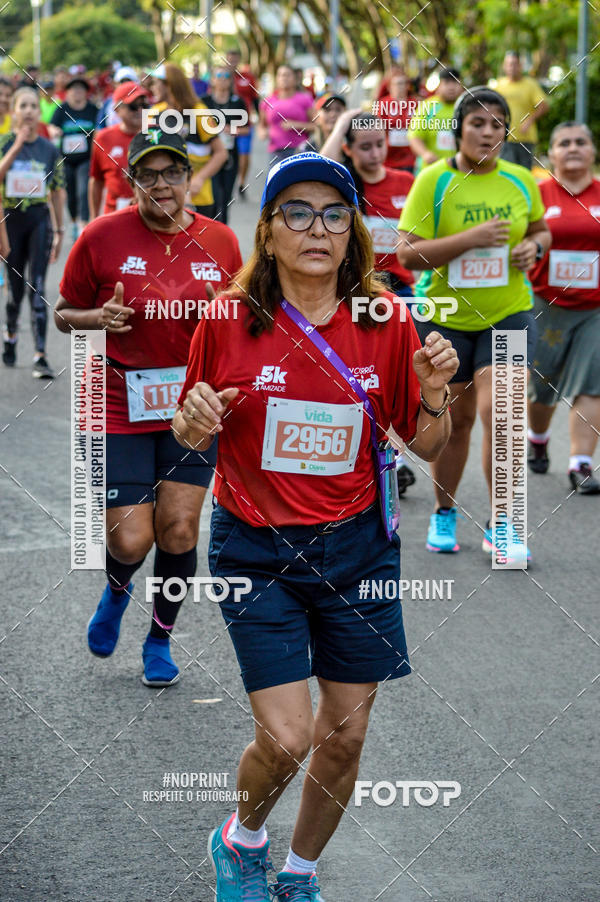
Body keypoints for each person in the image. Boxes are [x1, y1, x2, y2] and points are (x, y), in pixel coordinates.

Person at [173, 151, 458, 901]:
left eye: (334, 214)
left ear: (352, 232)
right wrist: (192, 419)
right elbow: (190, 428)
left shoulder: (387, 321)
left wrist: (435, 395)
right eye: (296, 213)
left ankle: (300, 873)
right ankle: (242, 839)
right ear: (268, 233)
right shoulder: (227, 319)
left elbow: (427, 445)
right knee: (288, 737)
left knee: (346, 734)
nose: (317, 228)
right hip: (255, 548)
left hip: (358, 549)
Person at [53, 131, 243, 686]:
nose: (161, 184)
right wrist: (96, 320)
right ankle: (117, 590)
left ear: (189, 178)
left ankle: (159, 637)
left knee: (179, 530)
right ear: (131, 181)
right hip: (117, 401)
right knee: (130, 538)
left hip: (193, 404)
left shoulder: (221, 241)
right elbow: (64, 312)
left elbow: (248, 320)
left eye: (172, 172)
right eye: (148, 174)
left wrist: (227, 318)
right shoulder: (101, 236)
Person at [397, 87, 552, 560]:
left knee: (502, 415)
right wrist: (472, 238)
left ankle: (504, 523)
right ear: (458, 129)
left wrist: (534, 248)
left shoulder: (520, 180)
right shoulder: (434, 180)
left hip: (507, 314)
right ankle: (444, 511)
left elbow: (541, 230)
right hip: (445, 317)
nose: (488, 132)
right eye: (477, 123)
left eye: (497, 124)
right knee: (457, 422)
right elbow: (407, 253)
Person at [322, 111, 417, 494]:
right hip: (353, 290)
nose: (375, 153)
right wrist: (344, 119)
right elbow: (323, 164)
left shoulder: (406, 182)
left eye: (380, 144)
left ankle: (398, 456)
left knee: (398, 374)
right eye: (364, 146)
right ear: (348, 148)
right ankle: (360, 448)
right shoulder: (345, 185)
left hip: (401, 291)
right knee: (363, 373)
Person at [527, 122, 600, 494]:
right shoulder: (536, 194)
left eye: (581, 142)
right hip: (545, 304)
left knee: (592, 384)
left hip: (595, 309)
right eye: (564, 143)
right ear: (551, 153)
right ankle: (538, 438)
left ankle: (580, 463)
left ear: (592, 151)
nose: (573, 148)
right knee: (542, 387)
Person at [0, 87, 65, 378]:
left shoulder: (49, 149)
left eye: (33, 106)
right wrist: (16, 147)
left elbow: (58, 191)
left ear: (39, 112)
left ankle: (41, 355)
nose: (28, 111)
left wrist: (60, 230)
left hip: (39, 220)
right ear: (14, 111)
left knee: (37, 288)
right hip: (11, 221)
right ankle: (11, 335)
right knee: (15, 291)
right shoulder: (4, 143)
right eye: (23, 106)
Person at [147, 62, 228, 217]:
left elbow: (221, 153)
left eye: (156, 83)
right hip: (163, 198)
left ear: (169, 85)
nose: (152, 87)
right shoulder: (153, 113)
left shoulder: (199, 112)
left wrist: (199, 179)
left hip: (198, 198)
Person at [88, 81, 151, 219]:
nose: (140, 110)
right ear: (117, 109)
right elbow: (96, 180)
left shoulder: (157, 134)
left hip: (151, 217)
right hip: (114, 217)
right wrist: (93, 218)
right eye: (133, 106)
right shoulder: (103, 138)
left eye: (144, 105)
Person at [49, 76, 98, 240]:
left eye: (81, 88)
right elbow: (51, 126)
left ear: (86, 92)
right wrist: (54, 131)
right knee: (70, 193)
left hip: (86, 158)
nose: (77, 92)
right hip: (66, 159)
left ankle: (84, 223)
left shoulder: (92, 109)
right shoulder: (62, 109)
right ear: (68, 92)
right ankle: (74, 221)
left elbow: (101, 128)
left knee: (83, 190)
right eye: (74, 88)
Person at [200, 66, 248, 223]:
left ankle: (223, 231)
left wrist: (233, 130)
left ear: (231, 80)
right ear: (212, 80)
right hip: (209, 156)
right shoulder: (203, 102)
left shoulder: (238, 102)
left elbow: (247, 129)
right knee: (213, 197)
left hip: (230, 156)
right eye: (218, 75)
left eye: (226, 75)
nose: (222, 79)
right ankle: (209, 229)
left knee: (226, 199)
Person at [496, 51, 549, 170]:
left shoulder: (530, 84)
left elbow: (544, 106)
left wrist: (529, 121)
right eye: (509, 64)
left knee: (524, 173)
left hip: (526, 138)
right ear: (504, 66)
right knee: (507, 173)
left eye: (515, 64)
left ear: (520, 66)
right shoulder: (499, 85)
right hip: (505, 138)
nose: (512, 67)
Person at [407, 67, 463, 171]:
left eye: (455, 82)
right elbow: (414, 137)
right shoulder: (428, 107)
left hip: (460, 170)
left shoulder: (466, 107)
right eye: (447, 83)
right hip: (432, 170)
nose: (451, 87)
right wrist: (425, 154)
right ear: (439, 85)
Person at [259, 65, 316, 165]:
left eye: (287, 75)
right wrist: (262, 132)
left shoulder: (305, 99)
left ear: (295, 79)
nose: (283, 78)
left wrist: (296, 125)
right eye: (280, 75)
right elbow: (262, 125)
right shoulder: (268, 101)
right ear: (276, 79)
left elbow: (317, 126)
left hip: (300, 151)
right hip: (276, 152)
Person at [226, 51, 259, 197]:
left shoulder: (248, 77)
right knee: (225, 154)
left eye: (235, 59)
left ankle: (241, 182)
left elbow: (255, 98)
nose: (232, 62)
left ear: (239, 60)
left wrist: (260, 119)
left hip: (244, 123)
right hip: (225, 124)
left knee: (244, 154)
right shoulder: (221, 76)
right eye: (230, 59)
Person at [377, 72, 417, 172]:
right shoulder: (383, 104)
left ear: (408, 86)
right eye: (397, 84)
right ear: (390, 87)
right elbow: (378, 129)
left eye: (403, 83)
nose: (400, 87)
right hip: (389, 158)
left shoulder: (415, 104)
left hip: (410, 158)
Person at [96, 65, 139, 130]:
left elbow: (146, 130)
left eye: (129, 82)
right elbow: (100, 127)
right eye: (122, 82)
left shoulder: (142, 103)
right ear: (115, 84)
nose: (125, 85)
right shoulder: (108, 102)